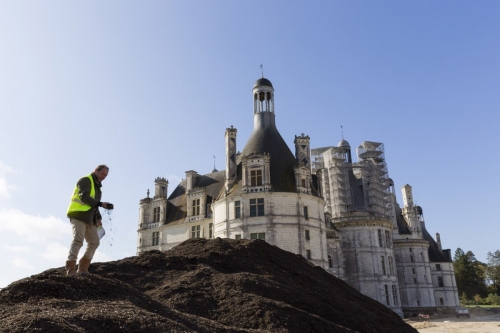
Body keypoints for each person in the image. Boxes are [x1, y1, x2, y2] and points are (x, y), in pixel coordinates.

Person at [65, 165, 113, 276]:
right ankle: (71, 269)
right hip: (78, 215)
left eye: (106, 175)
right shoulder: (85, 180)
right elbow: (84, 197)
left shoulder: (98, 187)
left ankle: (83, 268)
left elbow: (94, 204)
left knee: (94, 242)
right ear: (96, 171)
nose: (104, 177)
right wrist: (101, 204)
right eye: (102, 174)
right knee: (78, 240)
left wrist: (99, 218)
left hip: (90, 218)